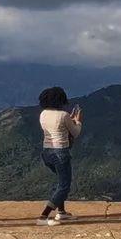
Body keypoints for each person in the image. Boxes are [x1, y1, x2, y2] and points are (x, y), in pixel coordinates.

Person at [36, 85, 82, 223]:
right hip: (60, 153)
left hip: (47, 153)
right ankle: (43, 216)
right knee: (64, 186)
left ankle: (61, 212)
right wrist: (78, 121)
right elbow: (75, 132)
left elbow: (56, 128)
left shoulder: (43, 114)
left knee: (60, 182)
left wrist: (70, 120)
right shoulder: (64, 115)